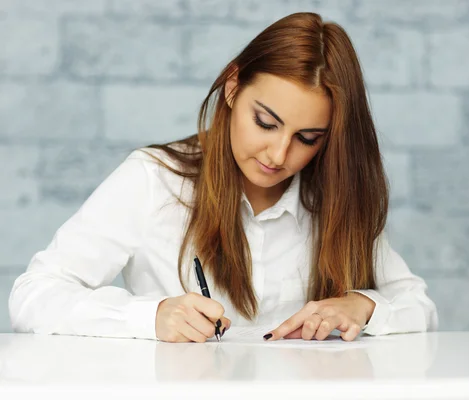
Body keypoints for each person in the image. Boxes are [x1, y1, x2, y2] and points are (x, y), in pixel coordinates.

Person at [8, 12, 438, 343]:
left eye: (307, 138)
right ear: (233, 88)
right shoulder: (154, 179)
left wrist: (361, 305)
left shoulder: (334, 195)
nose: (278, 154)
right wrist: (150, 316)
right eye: (265, 123)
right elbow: (33, 296)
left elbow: (418, 306)